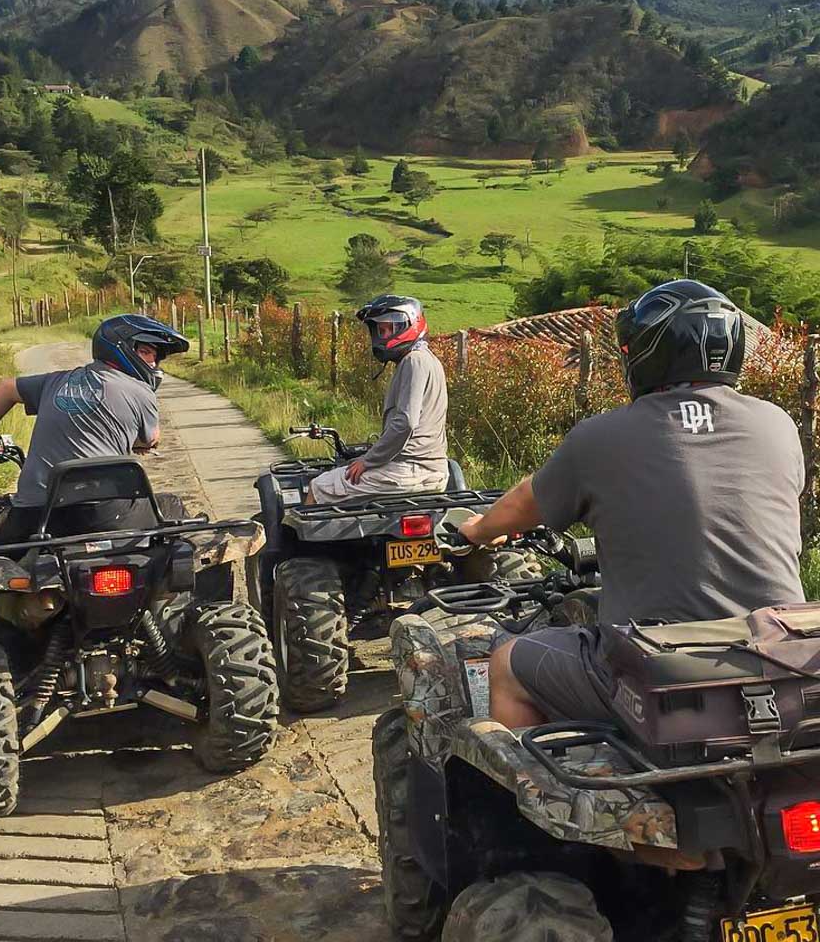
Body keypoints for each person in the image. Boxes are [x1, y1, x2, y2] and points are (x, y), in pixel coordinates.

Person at [456, 280, 806, 729]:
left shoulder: (601, 437)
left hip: (663, 674)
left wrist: (477, 531)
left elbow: (526, 501)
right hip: (783, 659)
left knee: (506, 666)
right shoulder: (778, 424)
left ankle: (535, 797)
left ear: (647, 354)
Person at [0, 314, 189, 543]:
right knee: (172, 511)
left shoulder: (54, 381)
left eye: (156, 356)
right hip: (106, 515)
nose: (153, 362)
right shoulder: (141, 392)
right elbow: (150, 439)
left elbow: (6, 388)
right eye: (146, 352)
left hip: (36, 515)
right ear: (122, 348)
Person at [305, 294, 449, 503]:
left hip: (409, 470)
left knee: (318, 487)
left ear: (408, 324)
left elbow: (405, 423)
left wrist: (369, 461)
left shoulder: (413, 361)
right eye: (379, 331)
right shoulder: (428, 360)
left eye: (388, 329)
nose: (382, 337)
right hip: (430, 470)